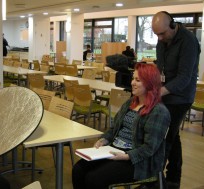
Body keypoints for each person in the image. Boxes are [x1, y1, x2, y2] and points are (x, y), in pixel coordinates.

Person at [72, 63, 170, 189]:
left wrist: (127, 156)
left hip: (138, 161)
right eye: (133, 78)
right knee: (78, 169)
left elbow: (149, 148)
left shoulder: (159, 112)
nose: (132, 82)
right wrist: (104, 139)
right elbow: (114, 128)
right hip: (115, 150)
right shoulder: (130, 103)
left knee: (94, 179)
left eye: (138, 80)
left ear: (150, 83)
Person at [152, 11, 200, 189]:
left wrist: (159, 92)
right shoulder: (162, 38)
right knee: (173, 134)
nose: (160, 38)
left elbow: (184, 77)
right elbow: (160, 66)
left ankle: (157, 179)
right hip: (165, 93)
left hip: (181, 97)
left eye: (162, 34)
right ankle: (173, 178)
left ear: (172, 25)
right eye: (156, 34)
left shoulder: (188, 42)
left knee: (166, 135)